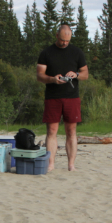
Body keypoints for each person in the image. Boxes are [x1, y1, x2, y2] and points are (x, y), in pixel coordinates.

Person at [36, 23, 89, 172]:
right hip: (52, 97)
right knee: (51, 131)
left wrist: (76, 74)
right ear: (57, 36)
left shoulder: (77, 52)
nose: (65, 43)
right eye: (62, 40)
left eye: (67, 41)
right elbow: (39, 75)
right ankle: (51, 164)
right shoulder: (46, 53)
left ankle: (71, 165)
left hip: (72, 97)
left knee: (71, 131)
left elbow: (85, 74)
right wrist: (53, 79)